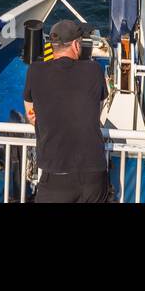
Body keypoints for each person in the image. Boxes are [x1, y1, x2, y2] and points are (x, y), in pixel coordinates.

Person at [23, 19, 110, 203]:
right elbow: (99, 108)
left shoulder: (35, 71)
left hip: (55, 173)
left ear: (52, 47)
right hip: (93, 173)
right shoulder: (94, 70)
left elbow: (31, 114)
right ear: (76, 45)